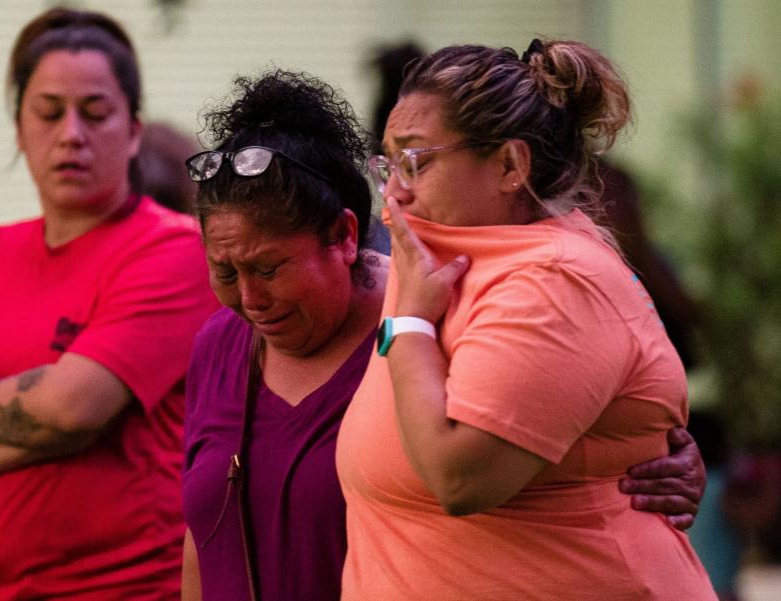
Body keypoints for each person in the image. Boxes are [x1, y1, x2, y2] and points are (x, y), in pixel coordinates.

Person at [180, 70, 707, 601]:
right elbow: (203, 534)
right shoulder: (221, 345)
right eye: (225, 272)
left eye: (269, 270)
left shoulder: (442, 313)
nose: (248, 298)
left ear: (342, 235)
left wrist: (646, 454)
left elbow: (506, 440)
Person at [336, 39, 717, 599]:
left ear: (510, 165)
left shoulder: (558, 279)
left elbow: (460, 477)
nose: (394, 190)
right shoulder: (439, 251)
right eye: (388, 163)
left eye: (416, 160)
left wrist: (410, 326)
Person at [0, 8, 217, 600]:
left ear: (133, 130)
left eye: (95, 113)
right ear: (19, 128)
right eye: (49, 112)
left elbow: (72, 409)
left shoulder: (174, 250)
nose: (71, 134)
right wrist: (47, 428)